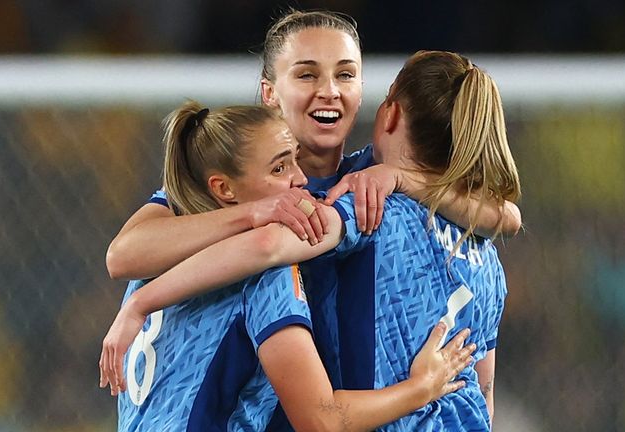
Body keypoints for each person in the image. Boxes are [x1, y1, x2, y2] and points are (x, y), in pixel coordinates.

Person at [103, 8, 520, 398]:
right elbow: (123, 257)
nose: (329, 91)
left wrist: (403, 178)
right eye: (306, 75)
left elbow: (504, 215)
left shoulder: (366, 183)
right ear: (269, 93)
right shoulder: (231, 180)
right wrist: (252, 213)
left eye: (346, 75)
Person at [100, 101, 476, 431]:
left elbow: (504, 214)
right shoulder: (265, 273)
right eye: (280, 168)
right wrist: (422, 388)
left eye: (294, 159)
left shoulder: (165, 250)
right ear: (223, 189)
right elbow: (323, 419)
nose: (299, 178)